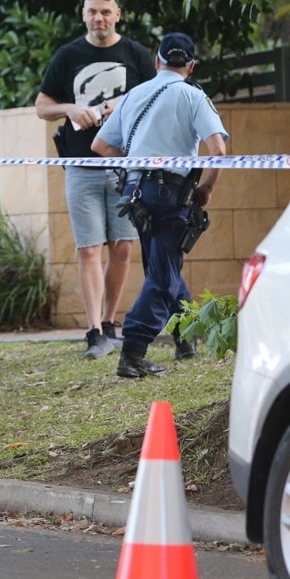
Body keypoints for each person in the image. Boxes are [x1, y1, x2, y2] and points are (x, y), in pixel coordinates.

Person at [91, 32, 228, 378]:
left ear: (157, 62)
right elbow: (218, 150)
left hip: (135, 193)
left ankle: (185, 338)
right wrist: (207, 188)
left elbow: (101, 146)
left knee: (162, 267)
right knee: (164, 275)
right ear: (192, 66)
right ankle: (133, 351)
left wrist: (139, 161)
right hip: (171, 195)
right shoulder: (193, 96)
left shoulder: (133, 95)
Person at [35, 0, 156, 361]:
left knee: (122, 248)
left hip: (125, 166)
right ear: (83, 14)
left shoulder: (136, 54)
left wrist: (118, 105)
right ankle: (92, 333)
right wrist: (71, 109)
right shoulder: (68, 55)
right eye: (92, 11)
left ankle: (108, 324)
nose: (98, 18)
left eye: (105, 11)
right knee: (88, 248)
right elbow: (42, 107)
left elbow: (157, 96)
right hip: (81, 165)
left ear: (118, 14)